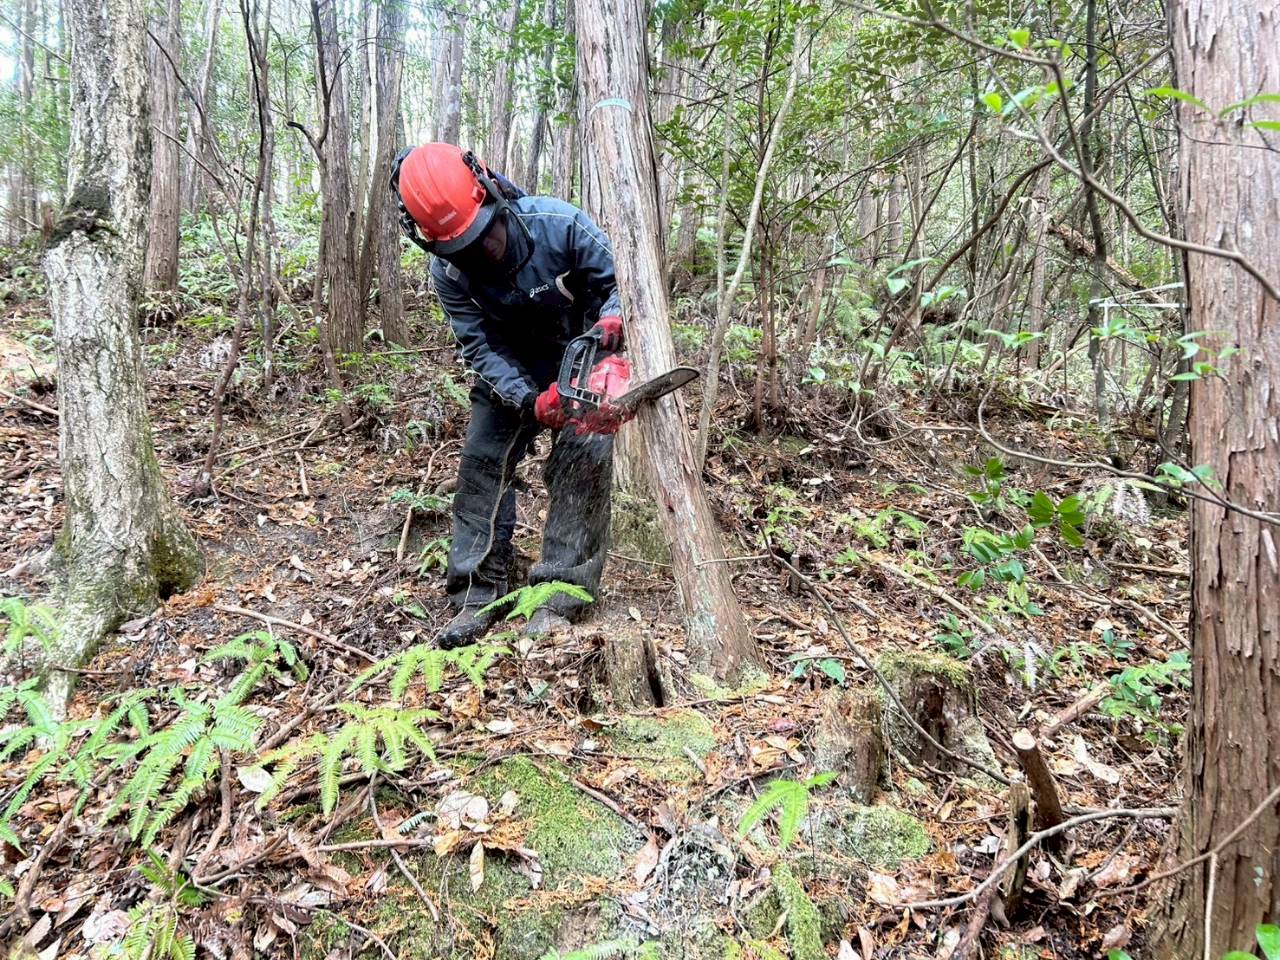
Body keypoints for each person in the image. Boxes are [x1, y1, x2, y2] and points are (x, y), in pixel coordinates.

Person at [389, 142, 626, 648]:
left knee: (586, 451)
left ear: (493, 194)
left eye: (486, 233)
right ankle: (479, 593)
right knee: (481, 460)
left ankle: (560, 594)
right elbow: (478, 346)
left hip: (585, 354)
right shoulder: (450, 274)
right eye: (463, 247)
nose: (483, 250)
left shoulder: (558, 224)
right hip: (514, 368)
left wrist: (614, 316)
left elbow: (622, 281)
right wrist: (527, 399)